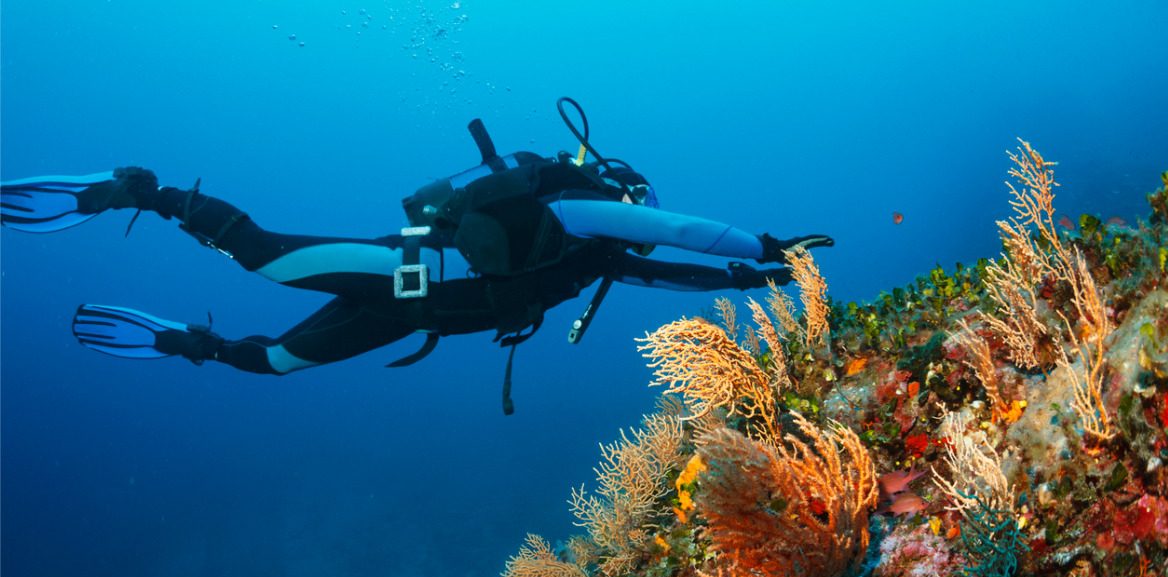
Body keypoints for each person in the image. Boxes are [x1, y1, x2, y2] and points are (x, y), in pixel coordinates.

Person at [1, 98, 833, 412]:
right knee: (262, 258)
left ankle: (191, 343)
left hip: (419, 315)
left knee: (277, 364)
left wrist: (747, 276)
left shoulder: (600, 255)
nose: (637, 223)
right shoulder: (581, 213)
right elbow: (682, 233)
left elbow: (666, 267)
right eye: (635, 211)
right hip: (407, 274)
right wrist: (764, 245)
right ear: (624, 196)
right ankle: (139, 190)